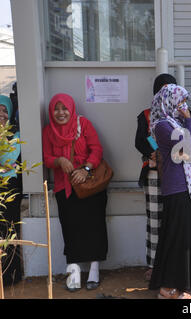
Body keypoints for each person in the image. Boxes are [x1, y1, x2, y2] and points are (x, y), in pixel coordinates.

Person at [42, 93, 108, 292]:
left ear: (71, 109)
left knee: (94, 227)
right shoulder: (48, 132)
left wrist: (85, 169)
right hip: (65, 187)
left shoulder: (84, 124)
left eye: (64, 108)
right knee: (71, 229)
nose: (60, 113)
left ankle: (94, 270)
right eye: (56, 108)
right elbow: (46, 157)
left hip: (90, 186)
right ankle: (74, 272)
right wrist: (59, 161)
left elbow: (96, 149)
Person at [148, 84, 191, 299]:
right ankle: (169, 287)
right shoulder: (162, 125)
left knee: (182, 238)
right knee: (177, 238)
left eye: (184, 102)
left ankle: (178, 285)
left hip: (186, 186)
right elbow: (188, 147)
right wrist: (189, 119)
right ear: (168, 101)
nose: (183, 106)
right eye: (179, 101)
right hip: (177, 186)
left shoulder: (174, 123)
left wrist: (186, 122)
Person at [135, 73, 178, 281]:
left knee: (175, 220)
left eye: (170, 88)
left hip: (178, 175)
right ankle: (153, 265)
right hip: (154, 173)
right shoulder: (145, 114)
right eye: (162, 88)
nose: (166, 92)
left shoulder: (182, 113)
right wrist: (154, 152)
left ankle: (172, 266)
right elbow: (139, 141)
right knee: (154, 220)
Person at [0, 95, 23, 287]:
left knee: (8, 230)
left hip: (9, 189)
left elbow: (8, 159)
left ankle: (10, 274)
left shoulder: (16, 134)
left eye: (5, 110)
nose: (1, 114)